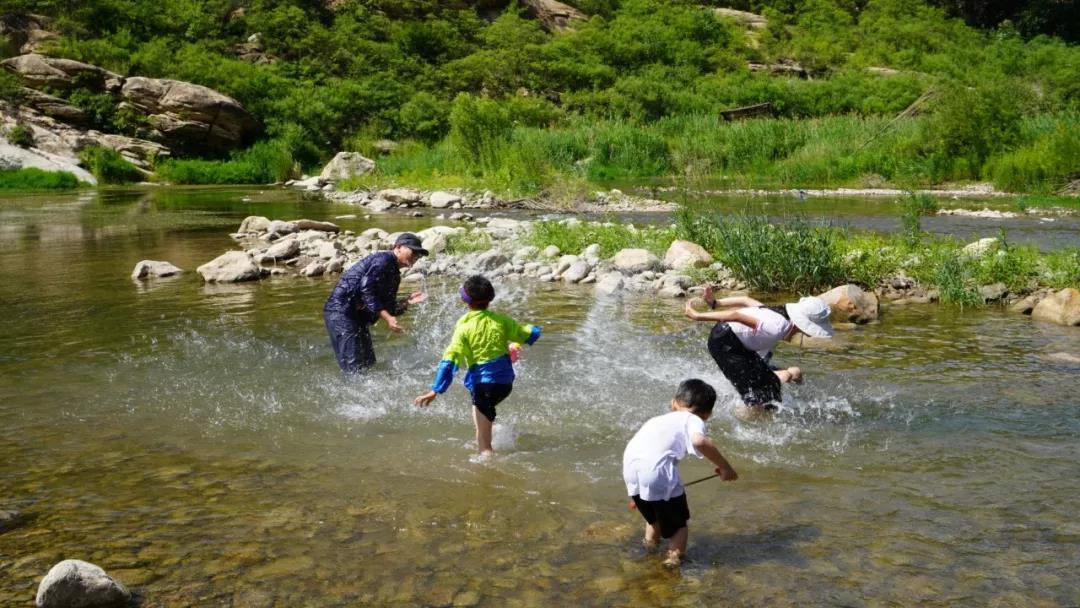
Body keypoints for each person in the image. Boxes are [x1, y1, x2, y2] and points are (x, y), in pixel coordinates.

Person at [413, 275, 541, 456]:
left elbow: (450, 359)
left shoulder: (464, 326)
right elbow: (525, 334)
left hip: (483, 385)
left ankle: (486, 468)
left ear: (464, 300)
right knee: (483, 414)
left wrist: (435, 390)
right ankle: (496, 432)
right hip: (505, 385)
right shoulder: (503, 321)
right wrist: (535, 331)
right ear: (491, 299)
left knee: (484, 446)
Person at [622, 379, 738, 568]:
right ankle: (672, 562)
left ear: (674, 403)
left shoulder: (657, 420)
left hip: (631, 470)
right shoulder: (693, 420)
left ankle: (649, 551)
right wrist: (725, 467)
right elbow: (699, 441)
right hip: (656, 473)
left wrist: (641, 491)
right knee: (678, 525)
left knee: (653, 519)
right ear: (708, 414)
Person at [684, 287, 834, 413]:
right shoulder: (776, 327)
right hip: (725, 344)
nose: (807, 334)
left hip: (738, 344)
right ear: (801, 324)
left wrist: (715, 302)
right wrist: (697, 316)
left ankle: (770, 403)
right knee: (762, 398)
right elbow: (736, 316)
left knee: (792, 375)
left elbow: (746, 300)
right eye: (807, 330)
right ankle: (737, 417)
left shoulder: (779, 316)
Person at [323, 233, 428, 373]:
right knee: (353, 368)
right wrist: (388, 318)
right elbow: (366, 291)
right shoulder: (383, 259)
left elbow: (387, 307)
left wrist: (406, 302)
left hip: (357, 317)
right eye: (413, 251)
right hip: (341, 312)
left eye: (419, 255)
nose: (416, 256)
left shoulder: (394, 275)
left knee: (368, 363)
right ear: (398, 247)